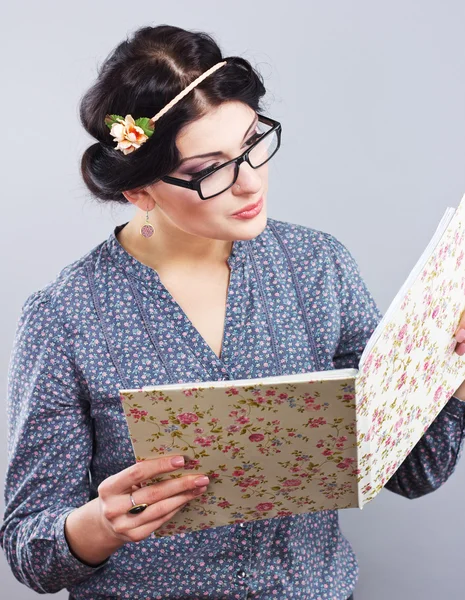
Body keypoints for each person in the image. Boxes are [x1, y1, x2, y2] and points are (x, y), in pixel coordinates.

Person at [1, 24, 465, 600]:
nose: (251, 183)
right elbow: (30, 550)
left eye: (252, 143)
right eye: (208, 170)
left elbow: (416, 473)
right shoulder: (65, 316)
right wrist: (99, 525)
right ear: (139, 190)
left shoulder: (317, 268)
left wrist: (450, 372)